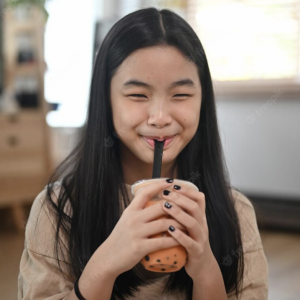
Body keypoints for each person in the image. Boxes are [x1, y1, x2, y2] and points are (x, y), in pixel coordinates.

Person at [17, 6, 268, 300]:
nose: (160, 117)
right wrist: (106, 264)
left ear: (203, 100)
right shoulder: (58, 211)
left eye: (181, 95)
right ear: (106, 100)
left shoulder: (235, 212)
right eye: (138, 95)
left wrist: (205, 268)